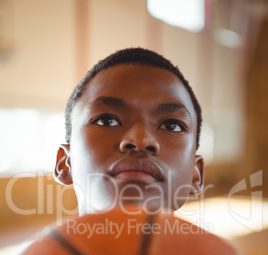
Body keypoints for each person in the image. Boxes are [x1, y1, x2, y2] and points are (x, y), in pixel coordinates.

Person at [54, 47, 204, 215]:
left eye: (171, 125)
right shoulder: (45, 243)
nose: (141, 140)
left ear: (195, 173)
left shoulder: (211, 243)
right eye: (107, 121)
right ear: (65, 163)